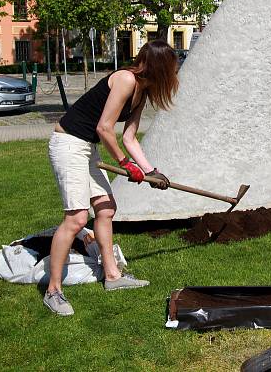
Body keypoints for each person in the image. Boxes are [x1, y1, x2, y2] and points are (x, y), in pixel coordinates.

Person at [43, 39, 178, 316]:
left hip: (86, 147)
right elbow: (105, 128)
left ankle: (112, 276)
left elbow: (129, 137)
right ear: (160, 67)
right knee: (77, 218)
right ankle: (53, 290)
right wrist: (126, 165)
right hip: (68, 143)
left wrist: (151, 171)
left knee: (106, 209)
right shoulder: (126, 80)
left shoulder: (143, 92)